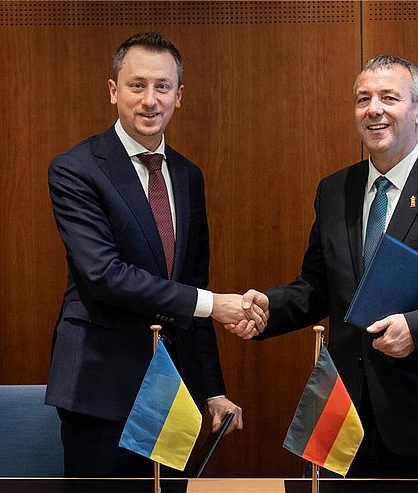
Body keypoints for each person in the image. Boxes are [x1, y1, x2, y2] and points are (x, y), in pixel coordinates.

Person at [226, 55, 418, 478]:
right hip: (345, 418)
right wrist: (271, 307)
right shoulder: (334, 190)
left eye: (389, 98)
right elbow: (320, 285)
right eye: (363, 99)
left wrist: (417, 329)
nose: (373, 109)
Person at [45, 32, 264, 478]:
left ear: (178, 96)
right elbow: (104, 275)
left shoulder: (187, 175)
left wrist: (212, 389)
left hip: (171, 395)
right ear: (114, 91)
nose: (150, 100)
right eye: (137, 85)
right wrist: (214, 304)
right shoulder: (75, 169)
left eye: (162, 87)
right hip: (99, 388)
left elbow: (192, 284)